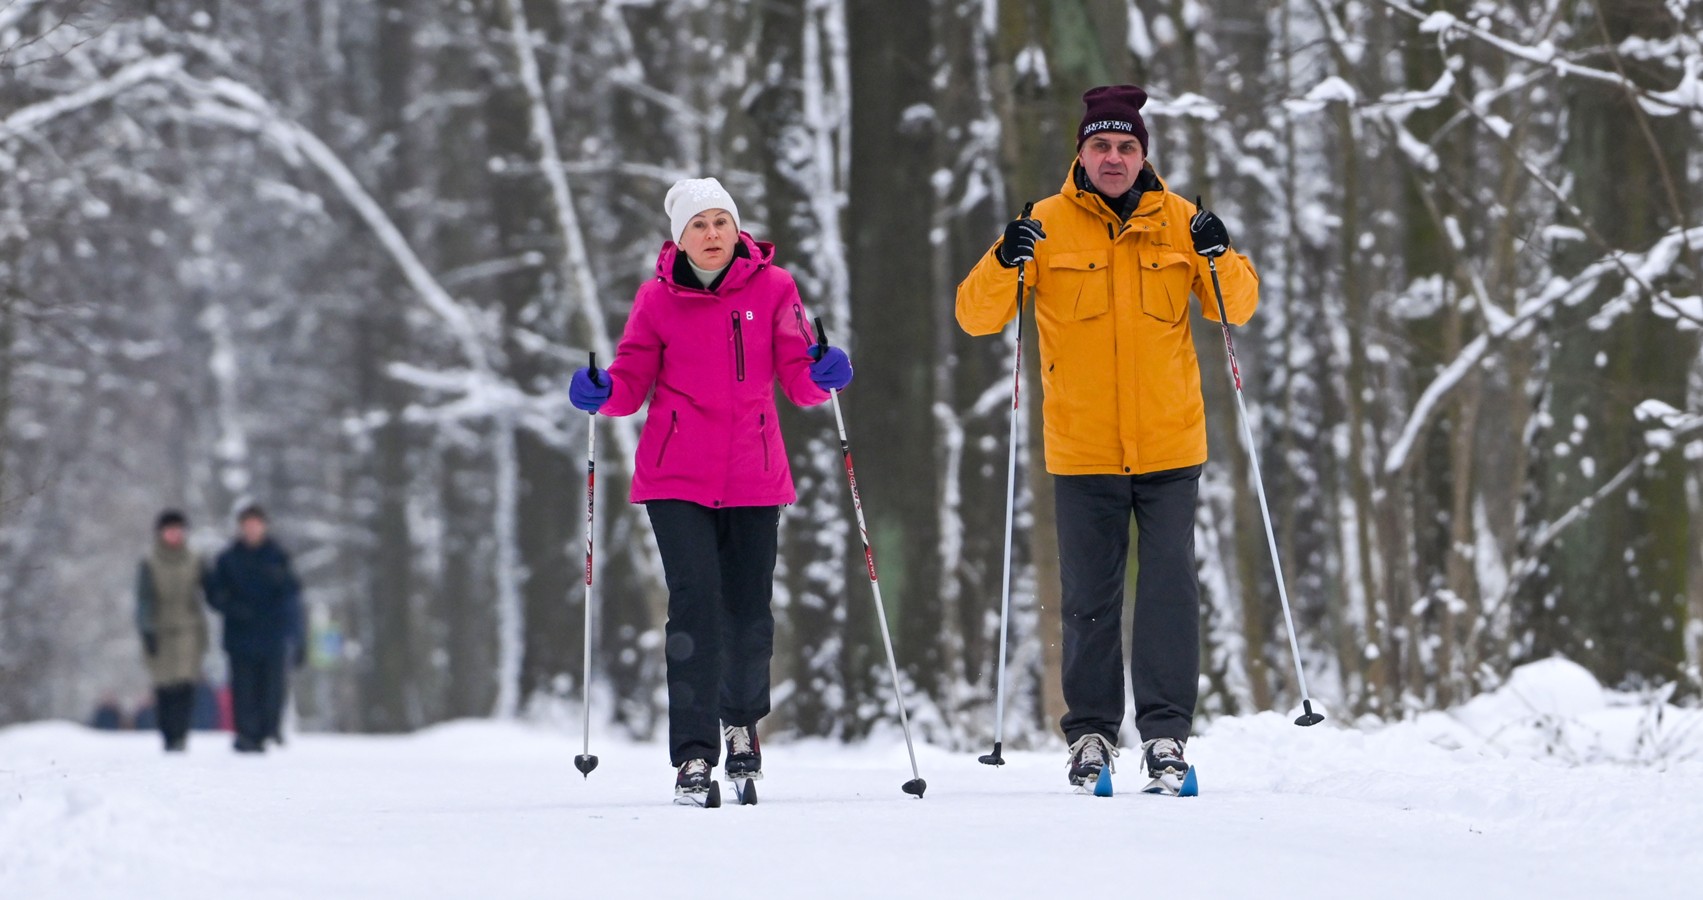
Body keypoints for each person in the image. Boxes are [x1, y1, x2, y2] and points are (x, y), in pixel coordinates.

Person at [955, 84, 1260, 794]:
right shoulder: (1042, 224)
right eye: (1101, 145)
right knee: (1088, 598)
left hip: (1169, 445)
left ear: (1143, 154)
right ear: (1081, 153)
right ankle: (1090, 733)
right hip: (1082, 446)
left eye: (1126, 146)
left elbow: (1235, 306)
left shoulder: (1181, 220)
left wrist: (1222, 254)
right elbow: (975, 317)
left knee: (1167, 596)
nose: (1114, 157)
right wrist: (1004, 258)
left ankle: (1165, 738)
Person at [569, 177, 853, 803]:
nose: (713, 234)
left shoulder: (776, 289)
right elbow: (631, 380)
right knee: (694, 609)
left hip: (754, 474)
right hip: (677, 476)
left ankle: (742, 728)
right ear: (681, 236)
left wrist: (823, 374)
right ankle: (694, 757)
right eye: (700, 224)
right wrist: (601, 392)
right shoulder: (656, 299)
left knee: (749, 616)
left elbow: (799, 378)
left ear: (736, 228)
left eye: (722, 221)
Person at [204, 504, 304, 753]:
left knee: (272, 689)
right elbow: (214, 594)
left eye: (255, 524)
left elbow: (292, 597)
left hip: (273, 635)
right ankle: (246, 734)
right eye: (247, 525)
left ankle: (268, 731)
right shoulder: (228, 559)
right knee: (243, 688)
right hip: (240, 636)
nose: (251, 529)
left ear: (264, 526)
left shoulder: (279, 557)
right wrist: (231, 607)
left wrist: (297, 636)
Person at [134, 509, 210, 752]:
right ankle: (168, 734)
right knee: (165, 687)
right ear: (161, 533)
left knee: (186, 686)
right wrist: (146, 629)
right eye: (170, 530)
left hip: (189, 630)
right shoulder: (149, 561)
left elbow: (208, 590)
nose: (174, 535)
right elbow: (144, 598)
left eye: (178, 530)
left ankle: (181, 735)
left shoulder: (195, 559)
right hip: (160, 631)